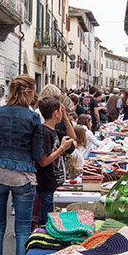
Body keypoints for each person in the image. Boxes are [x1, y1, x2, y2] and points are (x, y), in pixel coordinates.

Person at [0, 74, 43, 255]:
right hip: (23, 175)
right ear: (27, 91)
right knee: (22, 228)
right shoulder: (33, 117)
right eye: (34, 90)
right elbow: (38, 154)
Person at [36, 96, 76, 226]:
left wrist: (65, 118)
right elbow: (43, 161)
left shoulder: (53, 131)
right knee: (46, 222)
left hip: (54, 185)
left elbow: (72, 137)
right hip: (46, 185)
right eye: (61, 111)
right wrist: (61, 148)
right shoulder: (45, 133)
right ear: (55, 113)